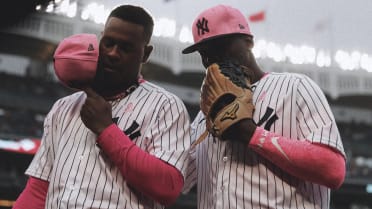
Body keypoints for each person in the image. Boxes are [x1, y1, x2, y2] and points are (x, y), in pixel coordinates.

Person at [13, 5, 192, 209]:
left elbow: (168, 187)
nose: (113, 53)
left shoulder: (165, 106)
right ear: (100, 40)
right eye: (109, 43)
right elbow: (38, 189)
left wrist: (107, 131)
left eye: (126, 48)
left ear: (146, 54)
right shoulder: (64, 107)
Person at [182, 4, 346, 209]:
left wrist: (251, 134)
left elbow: (332, 169)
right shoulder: (203, 117)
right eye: (203, 53)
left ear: (249, 41)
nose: (209, 59)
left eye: (219, 46)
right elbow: (179, 182)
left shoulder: (295, 87)